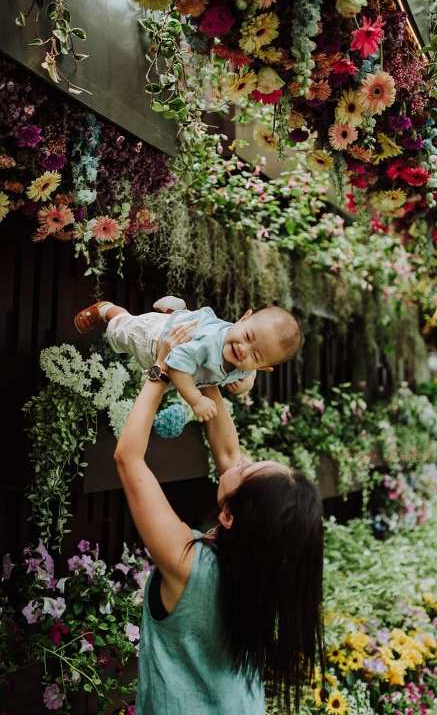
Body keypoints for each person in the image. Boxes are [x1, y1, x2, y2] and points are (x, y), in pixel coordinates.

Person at [113, 321, 325, 714]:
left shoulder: (186, 563)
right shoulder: (270, 574)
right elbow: (228, 457)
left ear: (228, 516)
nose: (243, 459)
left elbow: (128, 459)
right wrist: (207, 371)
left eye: (250, 467)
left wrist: (161, 369)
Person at [75, 298, 302, 422]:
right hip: (154, 338)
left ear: (263, 366)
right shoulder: (210, 342)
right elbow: (175, 366)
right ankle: (109, 310)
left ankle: (176, 311)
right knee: (122, 334)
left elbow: (250, 372)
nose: (243, 350)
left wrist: (246, 384)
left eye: (255, 356)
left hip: (178, 341)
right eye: (247, 336)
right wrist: (196, 400)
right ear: (244, 318)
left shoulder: (246, 365)